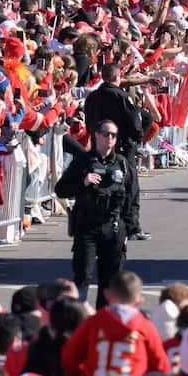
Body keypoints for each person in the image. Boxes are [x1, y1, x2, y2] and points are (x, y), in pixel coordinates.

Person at [54, 120, 133, 304]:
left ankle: (103, 319)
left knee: (110, 278)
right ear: (96, 135)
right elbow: (61, 190)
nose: (110, 139)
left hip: (112, 226)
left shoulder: (122, 164)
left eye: (113, 135)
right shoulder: (83, 161)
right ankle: (78, 316)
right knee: (83, 274)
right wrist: (83, 182)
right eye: (106, 134)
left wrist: (130, 226)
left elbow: (131, 197)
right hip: (87, 225)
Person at [83, 62, 149, 241]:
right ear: (117, 77)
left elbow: (88, 120)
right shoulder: (122, 97)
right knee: (129, 186)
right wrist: (137, 138)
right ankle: (131, 226)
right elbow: (135, 124)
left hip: (98, 146)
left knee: (99, 184)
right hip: (121, 147)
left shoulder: (92, 98)